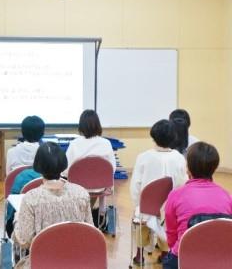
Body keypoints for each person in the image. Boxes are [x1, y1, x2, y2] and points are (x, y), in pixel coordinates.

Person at [13, 142, 93, 269]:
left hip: (43, 263)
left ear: (38, 165)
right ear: (63, 163)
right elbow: (90, 232)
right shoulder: (81, 193)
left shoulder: (31, 198)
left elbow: (23, 240)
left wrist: (17, 219)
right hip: (77, 262)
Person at [163, 142, 232, 269]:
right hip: (221, 258)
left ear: (188, 168)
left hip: (185, 257)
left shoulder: (175, 195)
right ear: (214, 168)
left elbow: (171, 236)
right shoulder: (227, 196)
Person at [130, 119, 188, 264]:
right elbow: (183, 184)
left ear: (153, 136)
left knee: (141, 219)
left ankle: (139, 253)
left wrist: (138, 204)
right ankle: (165, 251)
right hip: (170, 207)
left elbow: (135, 185)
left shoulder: (143, 157)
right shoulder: (179, 158)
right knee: (169, 222)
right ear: (173, 138)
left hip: (146, 206)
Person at [62, 109, 116, 213]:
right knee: (93, 187)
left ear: (81, 126)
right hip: (100, 187)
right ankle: (92, 214)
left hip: (77, 188)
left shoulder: (74, 144)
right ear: (98, 125)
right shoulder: (106, 143)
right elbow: (112, 169)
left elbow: (65, 170)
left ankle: (81, 214)